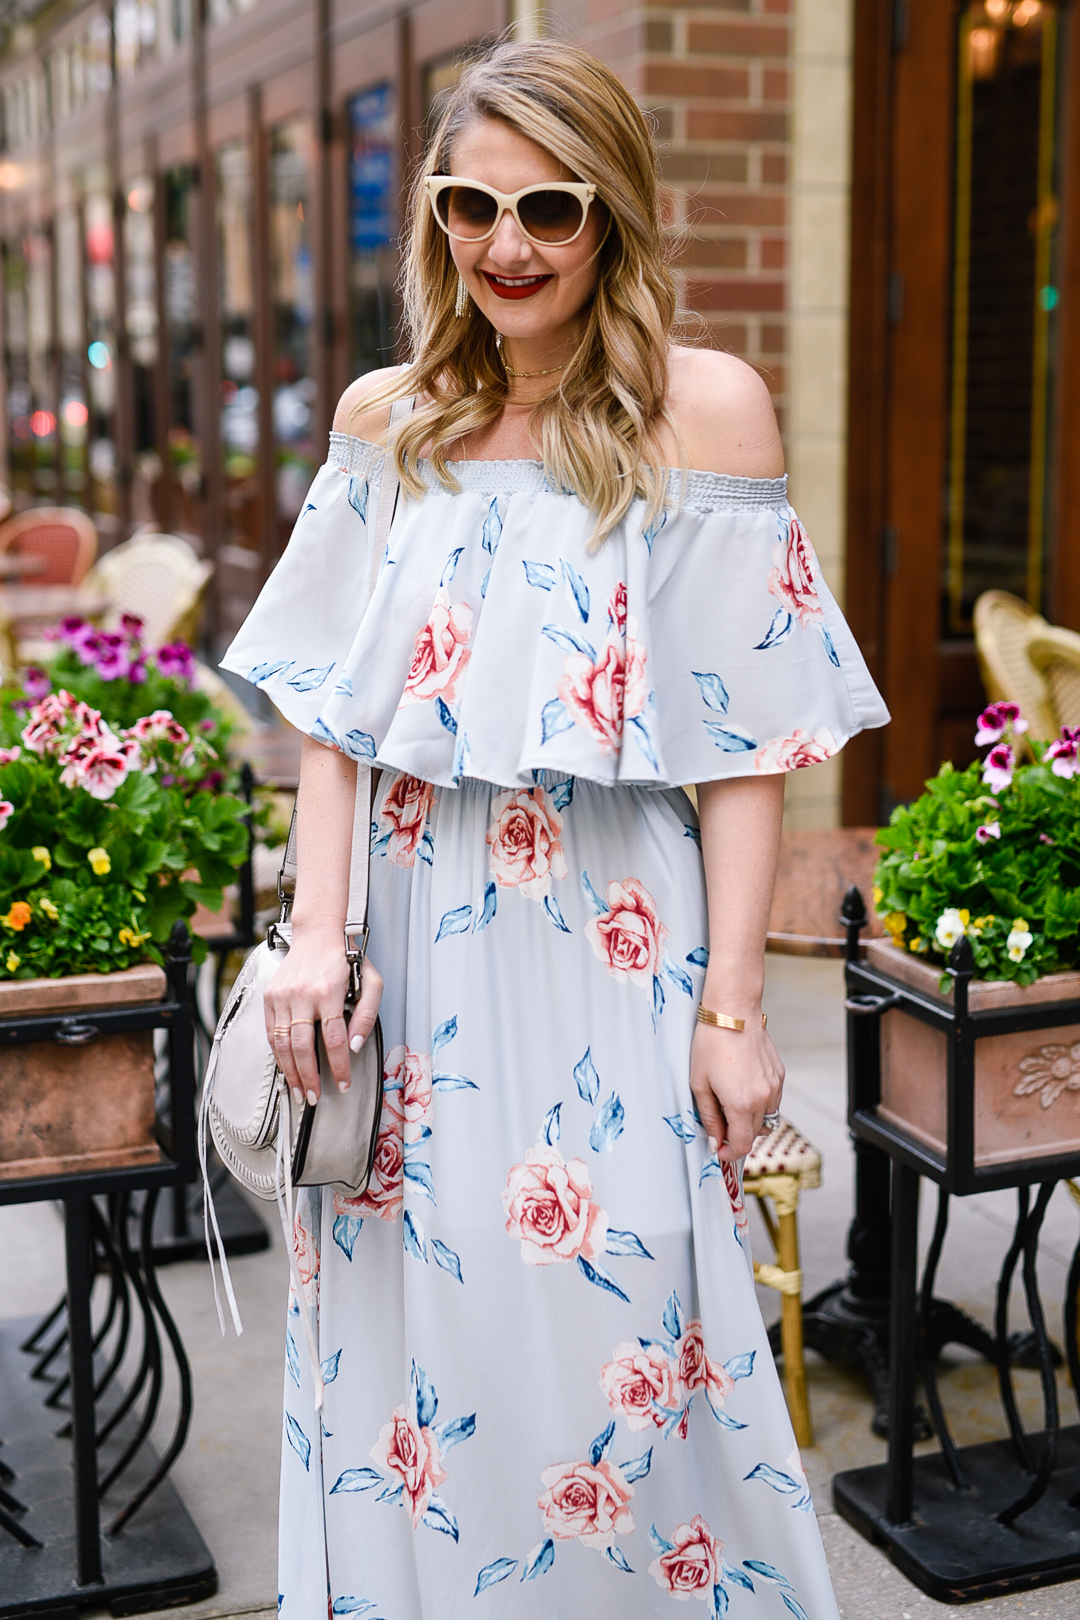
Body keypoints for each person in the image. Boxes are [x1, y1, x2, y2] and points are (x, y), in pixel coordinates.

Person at [221, 40, 887, 1620]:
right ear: (434, 214)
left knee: (631, 1333)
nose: (505, 246)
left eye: (549, 208)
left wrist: (733, 1013)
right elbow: (331, 712)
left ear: (614, 217)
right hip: (403, 947)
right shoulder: (390, 417)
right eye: (470, 203)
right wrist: (315, 939)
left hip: (611, 939)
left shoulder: (702, 410)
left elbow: (746, 749)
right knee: (410, 1357)